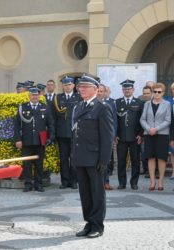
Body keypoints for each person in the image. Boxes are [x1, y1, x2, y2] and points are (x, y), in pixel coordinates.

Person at [72, 74, 114, 238]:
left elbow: (108, 137)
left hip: (95, 159)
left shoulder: (102, 108)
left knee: (97, 193)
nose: (81, 89)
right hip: (81, 157)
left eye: (85, 87)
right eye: (80, 86)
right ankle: (89, 222)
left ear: (96, 89)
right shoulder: (80, 106)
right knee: (85, 193)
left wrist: (104, 160)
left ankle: (97, 225)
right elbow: (75, 133)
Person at [14, 87, 55, 192]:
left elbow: (50, 124)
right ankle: (28, 184)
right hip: (26, 140)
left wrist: (51, 137)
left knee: (39, 163)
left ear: (39, 96)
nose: (35, 97)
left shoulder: (45, 107)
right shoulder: (22, 107)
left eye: (36, 95)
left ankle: (38, 184)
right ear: (29, 96)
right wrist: (17, 139)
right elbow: (17, 125)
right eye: (33, 95)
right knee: (26, 164)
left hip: (40, 141)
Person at [140, 83, 171, 191]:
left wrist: (156, 129)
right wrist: (149, 129)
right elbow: (142, 119)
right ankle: (152, 181)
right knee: (151, 157)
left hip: (162, 134)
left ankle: (160, 181)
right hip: (149, 134)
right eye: (155, 91)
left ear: (163, 93)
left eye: (159, 92)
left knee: (161, 158)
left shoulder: (167, 104)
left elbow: (168, 120)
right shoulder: (147, 104)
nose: (157, 94)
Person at [53, 76, 82, 189]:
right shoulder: (58, 98)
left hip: (75, 133)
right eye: (65, 85)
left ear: (73, 86)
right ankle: (64, 181)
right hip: (61, 133)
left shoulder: (79, 97)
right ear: (63, 86)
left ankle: (74, 181)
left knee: (74, 158)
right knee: (63, 159)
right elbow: (54, 116)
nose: (67, 86)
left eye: (69, 84)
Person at [115, 79, 144, 190]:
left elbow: (142, 119)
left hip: (134, 137)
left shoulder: (139, 103)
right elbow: (114, 120)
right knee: (121, 161)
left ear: (133, 89)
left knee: (135, 161)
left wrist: (141, 134)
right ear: (122, 90)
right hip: (121, 137)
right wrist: (115, 134)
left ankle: (134, 183)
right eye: (125, 89)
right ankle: (122, 183)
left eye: (129, 88)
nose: (127, 90)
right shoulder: (117, 102)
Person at [97, 84, 116, 190]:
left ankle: (106, 181)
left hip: (106, 137)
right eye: (98, 91)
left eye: (101, 91)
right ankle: (98, 182)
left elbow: (114, 121)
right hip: (95, 138)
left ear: (104, 93)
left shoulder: (110, 104)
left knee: (106, 160)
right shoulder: (91, 104)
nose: (99, 93)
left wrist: (113, 135)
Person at [140, 86, 153, 176]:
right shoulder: (140, 103)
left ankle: (152, 171)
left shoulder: (154, 103)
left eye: (148, 93)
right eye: (144, 93)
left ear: (151, 93)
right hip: (142, 132)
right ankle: (146, 169)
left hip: (152, 131)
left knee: (151, 152)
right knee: (143, 152)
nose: (146, 95)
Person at [104, 85, 116, 176]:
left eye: (107, 91)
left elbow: (114, 119)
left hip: (109, 131)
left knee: (110, 152)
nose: (105, 92)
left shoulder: (112, 102)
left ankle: (110, 168)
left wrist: (114, 134)